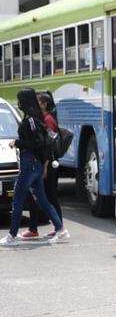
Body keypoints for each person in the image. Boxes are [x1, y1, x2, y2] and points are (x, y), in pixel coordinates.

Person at [0, 88, 69, 246]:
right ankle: (60, 229)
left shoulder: (31, 120)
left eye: (20, 100)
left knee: (18, 199)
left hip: (30, 164)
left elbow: (38, 142)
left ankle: (12, 234)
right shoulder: (34, 118)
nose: (18, 103)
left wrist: (17, 143)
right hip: (35, 165)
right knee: (43, 200)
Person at [21, 91, 63, 239]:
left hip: (48, 164)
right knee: (36, 196)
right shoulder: (40, 119)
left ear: (44, 104)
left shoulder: (49, 120)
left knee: (50, 196)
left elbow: (48, 146)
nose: (35, 105)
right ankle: (34, 228)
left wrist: (44, 166)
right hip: (42, 163)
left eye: (38, 102)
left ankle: (60, 228)